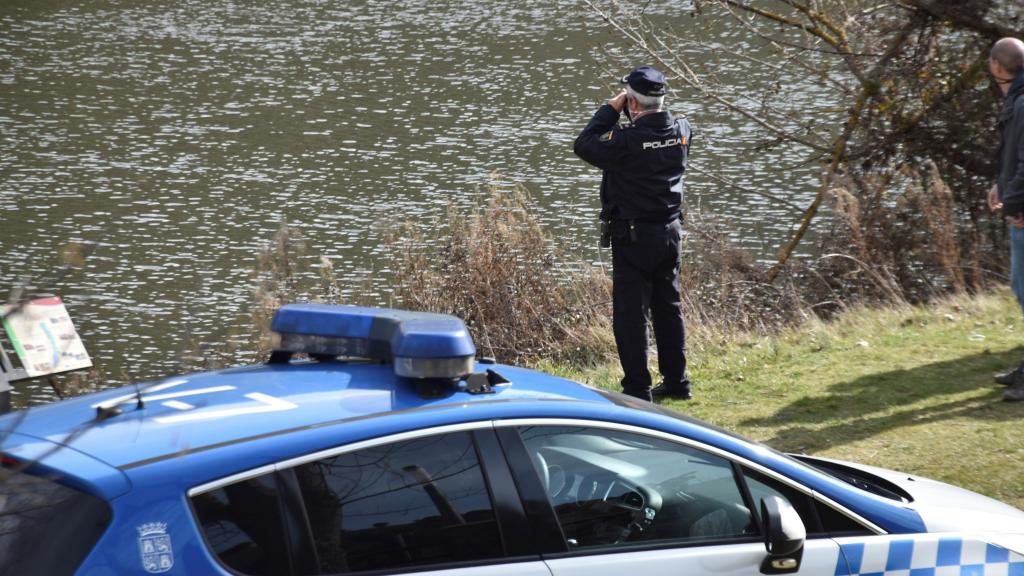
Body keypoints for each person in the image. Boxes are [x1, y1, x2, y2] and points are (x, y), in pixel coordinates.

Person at [574, 66, 693, 403]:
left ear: (633, 105)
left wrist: (610, 108)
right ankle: (677, 382)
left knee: (631, 315)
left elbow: (584, 144)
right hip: (671, 232)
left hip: (635, 237)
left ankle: (637, 390)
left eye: (627, 99)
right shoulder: (682, 129)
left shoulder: (626, 142)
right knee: (668, 307)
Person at [987, 37, 1024, 401]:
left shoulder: (1023, 102)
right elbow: (1015, 156)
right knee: (1019, 288)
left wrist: (1015, 205)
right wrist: (1001, 186)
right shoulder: (1017, 99)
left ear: (998, 67)